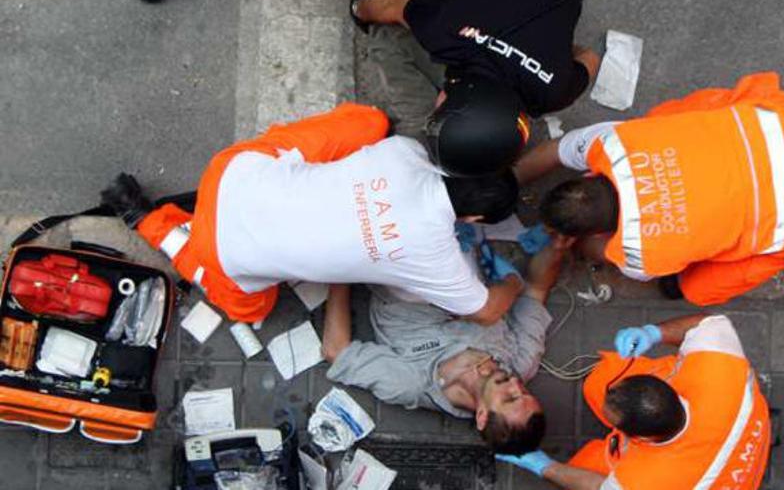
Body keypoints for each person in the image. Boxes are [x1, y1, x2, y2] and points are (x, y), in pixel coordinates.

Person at [101, 103, 522, 325]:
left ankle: (175, 219)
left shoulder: (406, 151)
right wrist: (517, 284)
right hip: (221, 251)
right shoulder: (435, 257)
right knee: (250, 311)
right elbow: (486, 311)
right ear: (473, 220)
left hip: (231, 172)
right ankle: (152, 224)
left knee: (371, 122)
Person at [516, 72, 784, 305]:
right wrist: (513, 178)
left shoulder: (638, 252)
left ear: (602, 233)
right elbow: (563, 148)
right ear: (588, 176)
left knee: (694, 288)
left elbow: (597, 252)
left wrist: (565, 245)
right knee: (665, 119)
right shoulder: (614, 143)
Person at [321, 241, 570, 454]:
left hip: (402, 272)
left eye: (510, 397)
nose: (516, 383)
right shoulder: (521, 362)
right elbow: (536, 290)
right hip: (457, 257)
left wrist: (339, 275)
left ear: (482, 416)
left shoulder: (410, 384)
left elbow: (336, 351)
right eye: (525, 392)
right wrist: (558, 246)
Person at [498, 313, 771, 489]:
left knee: (582, 468)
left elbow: (597, 486)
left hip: (704, 480)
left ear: (642, 440)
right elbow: (707, 324)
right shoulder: (719, 369)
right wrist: (654, 333)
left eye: (613, 421)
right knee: (600, 380)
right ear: (669, 388)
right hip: (737, 429)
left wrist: (545, 466)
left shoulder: (647, 481)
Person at [352, 0, 600, 176]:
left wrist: (548, 54)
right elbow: (390, 4)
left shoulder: (554, 91)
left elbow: (589, 58)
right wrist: (359, 9)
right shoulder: (442, 31)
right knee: (390, 29)